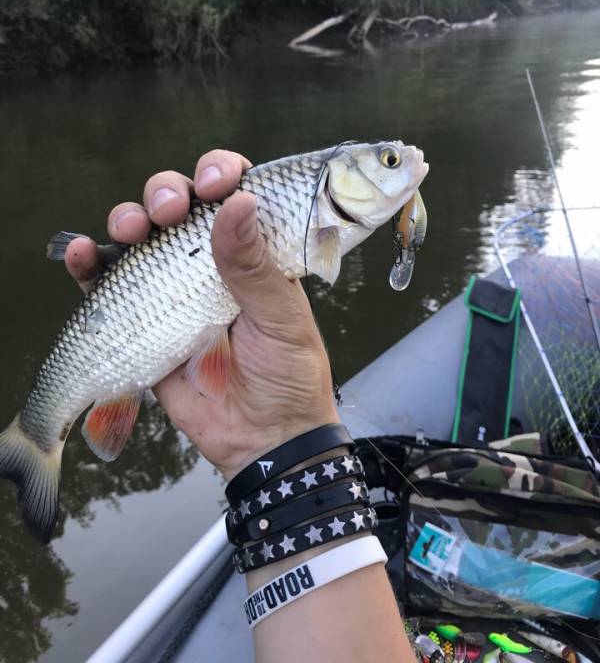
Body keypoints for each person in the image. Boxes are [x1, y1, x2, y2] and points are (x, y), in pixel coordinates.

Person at [64, 149, 416, 663]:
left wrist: (276, 445)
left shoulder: (320, 217)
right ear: (338, 177)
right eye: (388, 160)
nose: (403, 164)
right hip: (170, 343)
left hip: (255, 428)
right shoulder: (307, 206)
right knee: (156, 221)